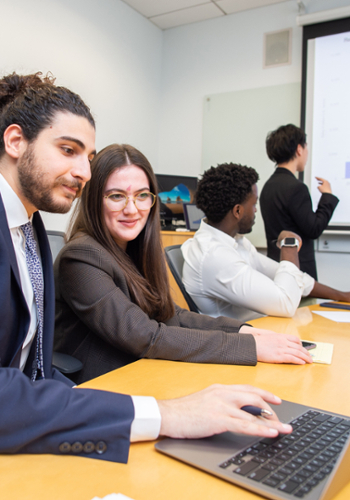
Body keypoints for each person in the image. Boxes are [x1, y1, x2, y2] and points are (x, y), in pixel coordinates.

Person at [0, 74, 294, 488]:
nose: (84, 171)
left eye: (88, 156)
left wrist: (148, 419)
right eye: (68, 150)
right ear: (16, 141)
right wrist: (163, 414)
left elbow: (32, 372)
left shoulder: (29, 228)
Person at [53, 144, 312, 385]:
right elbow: (145, 336)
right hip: (105, 385)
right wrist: (250, 348)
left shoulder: (133, 249)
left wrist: (245, 332)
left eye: (142, 196)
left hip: (146, 370)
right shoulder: (81, 257)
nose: (132, 209)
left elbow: (172, 315)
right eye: (116, 196)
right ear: (94, 200)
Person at [182, 163, 350, 322]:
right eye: (254, 203)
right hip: (236, 343)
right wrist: (289, 245)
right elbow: (286, 303)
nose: (255, 210)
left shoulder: (235, 241)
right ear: (238, 211)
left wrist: (342, 296)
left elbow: (291, 277)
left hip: (259, 331)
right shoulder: (215, 256)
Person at [260, 124, 339, 280]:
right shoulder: (296, 188)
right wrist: (327, 197)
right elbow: (314, 229)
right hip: (298, 272)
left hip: (275, 270)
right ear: (299, 149)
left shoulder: (267, 187)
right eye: (306, 147)